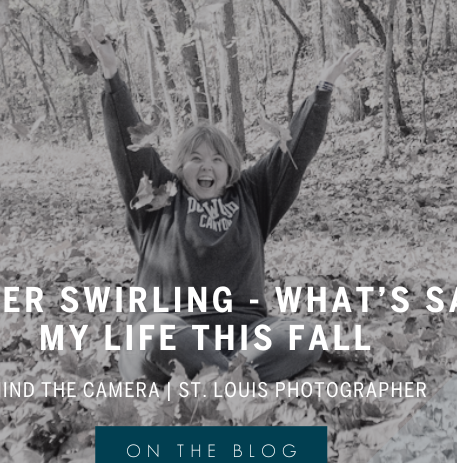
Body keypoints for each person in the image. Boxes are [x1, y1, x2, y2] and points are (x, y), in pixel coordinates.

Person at [88, 34, 362, 385]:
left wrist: (322, 90)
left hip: (245, 340)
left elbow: (293, 153)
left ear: (230, 166)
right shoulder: (159, 195)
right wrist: (112, 77)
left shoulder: (252, 195)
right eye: (196, 159)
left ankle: (221, 382)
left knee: (305, 334)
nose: (207, 167)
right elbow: (127, 147)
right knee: (152, 332)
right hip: (171, 340)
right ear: (180, 166)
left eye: (217, 159)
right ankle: (235, 383)